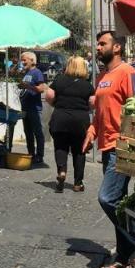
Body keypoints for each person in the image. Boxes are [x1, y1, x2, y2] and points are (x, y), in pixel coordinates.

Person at [87, 31, 135, 268]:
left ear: (117, 47)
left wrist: (133, 144)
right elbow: (101, 111)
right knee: (118, 201)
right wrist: (92, 131)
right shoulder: (103, 76)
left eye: (102, 43)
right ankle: (123, 256)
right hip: (106, 145)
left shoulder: (128, 72)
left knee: (107, 198)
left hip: (123, 145)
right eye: (97, 44)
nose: (97, 47)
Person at [45, 55, 93, 192]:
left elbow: (49, 96)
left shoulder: (59, 80)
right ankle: (78, 183)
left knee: (60, 146)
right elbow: (93, 102)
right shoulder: (87, 85)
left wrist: (57, 104)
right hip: (80, 120)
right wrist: (83, 108)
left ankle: (61, 172)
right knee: (79, 151)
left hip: (60, 117)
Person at [18, 50, 47, 167]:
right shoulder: (27, 73)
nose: (22, 62)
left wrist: (27, 86)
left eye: (24, 60)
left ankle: (39, 156)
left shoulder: (37, 72)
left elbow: (41, 88)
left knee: (37, 132)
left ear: (32, 60)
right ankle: (31, 153)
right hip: (25, 107)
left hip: (34, 108)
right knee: (28, 132)